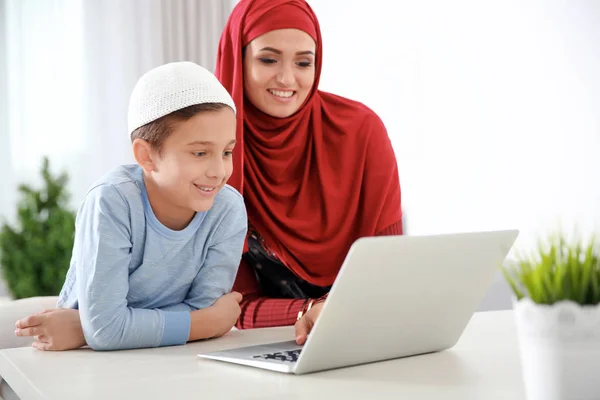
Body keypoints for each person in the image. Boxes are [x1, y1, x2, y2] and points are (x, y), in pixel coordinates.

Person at [13, 61, 248, 351]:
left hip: (178, 355)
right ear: (146, 155)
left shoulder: (227, 209)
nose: (219, 171)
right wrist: (207, 323)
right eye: (200, 153)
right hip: (83, 361)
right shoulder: (111, 201)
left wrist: (90, 328)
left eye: (227, 151)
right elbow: (207, 319)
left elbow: (201, 308)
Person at [215, 0, 403, 345]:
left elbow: (389, 275)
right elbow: (230, 306)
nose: (287, 79)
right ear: (237, 59)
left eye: (304, 62)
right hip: (268, 345)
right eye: (268, 59)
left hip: (366, 335)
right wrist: (311, 311)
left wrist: (335, 313)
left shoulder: (362, 133)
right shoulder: (213, 151)